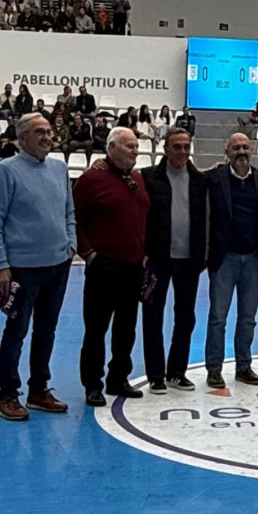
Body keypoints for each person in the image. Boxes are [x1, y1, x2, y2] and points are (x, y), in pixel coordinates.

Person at [0, 113, 76, 421]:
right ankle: (7, 395)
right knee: (16, 331)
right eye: (40, 132)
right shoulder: (6, 170)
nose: (47, 136)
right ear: (22, 138)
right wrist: (1, 267)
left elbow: (68, 212)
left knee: (46, 330)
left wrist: (70, 245)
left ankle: (39, 390)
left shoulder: (60, 168)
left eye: (49, 131)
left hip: (58, 265)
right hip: (22, 270)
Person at [74, 127, 150, 407]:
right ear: (112, 148)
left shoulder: (138, 179)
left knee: (126, 328)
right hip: (104, 267)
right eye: (129, 146)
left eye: (136, 146)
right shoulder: (91, 179)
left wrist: (144, 253)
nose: (135, 150)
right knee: (96, 328)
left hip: (134, 267)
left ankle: (118, 377)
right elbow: (75, 218)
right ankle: (92, 384)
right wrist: (90, 253)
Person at [140, 128, 209, 393]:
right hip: (157, 260)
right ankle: (156, 374)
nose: (182, 151)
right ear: (165, 149)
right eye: (176, 146)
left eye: (185, 146)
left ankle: (177, 372)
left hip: (189, 261)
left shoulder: (200, 179)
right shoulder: (147, 177)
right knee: (153, 316)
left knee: (185, 317)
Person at [204, 133, 258, 388]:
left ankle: (244, 366)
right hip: (225, 259)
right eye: (235, 147)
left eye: (245, 147)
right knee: (218, 317)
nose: (241, 151)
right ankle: (214, 368)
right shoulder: (213, 178)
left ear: (251, 150)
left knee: (248, 318)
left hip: (253, 259)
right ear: (226, 151)